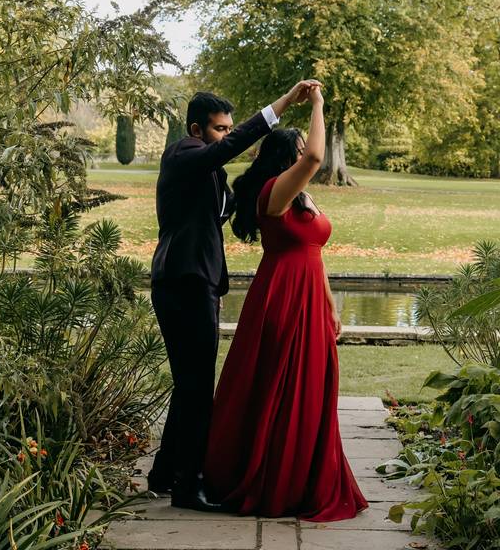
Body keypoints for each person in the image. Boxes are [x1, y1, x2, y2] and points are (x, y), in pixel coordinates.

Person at [148, 80, 321, 512]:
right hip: (182, 282)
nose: (227, 136)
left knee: (189, 385)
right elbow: (229, 148)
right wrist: (280, 105)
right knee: (197, 386)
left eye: (229, 127)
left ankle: (164, 474)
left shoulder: (212, 174)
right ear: (196, 129)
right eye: (221, 129)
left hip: (197, 282)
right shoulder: (183, 154)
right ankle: (190, 487)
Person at [202, 85, 368, 521]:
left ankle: (302, 474)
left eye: (303, 147)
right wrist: (317, 104)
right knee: (280, 383)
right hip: (283, 296)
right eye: (298, 147)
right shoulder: (274, 191)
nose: (305, 153)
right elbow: (316, 158)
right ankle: (272, 477)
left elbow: (316, 251)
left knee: (312, 384)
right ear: (284, 155)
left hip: (311, 295)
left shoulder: (302, 196)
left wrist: (331, 303)